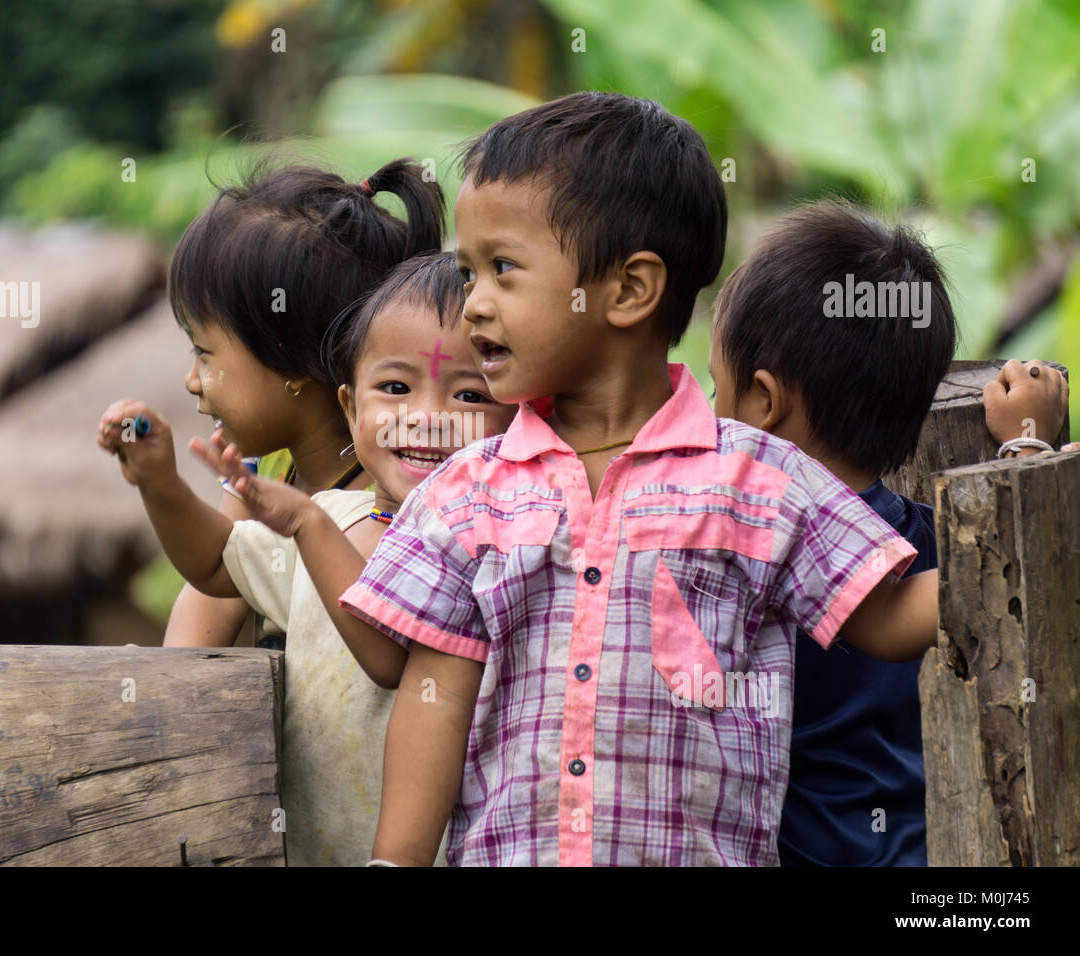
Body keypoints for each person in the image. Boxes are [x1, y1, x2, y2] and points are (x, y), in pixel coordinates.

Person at [338, 91, 941, 866]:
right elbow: (435, 697)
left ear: (628, 290)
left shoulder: (759, 480)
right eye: (467, 272)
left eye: (503, 269)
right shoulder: (464, 493)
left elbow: (889, 618)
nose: (473, 305)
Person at [707, 200, 1071, 866]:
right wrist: (1025, 445)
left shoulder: (743, 553)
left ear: (762, 401)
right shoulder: (931, 542)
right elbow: (1004, 563)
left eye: (715, 391)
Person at [145, 157, 446, 650]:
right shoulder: (263, 471)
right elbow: (217, 592)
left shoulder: (398, 486)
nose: (192, 381)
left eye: (204, 353)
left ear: (291, 362)